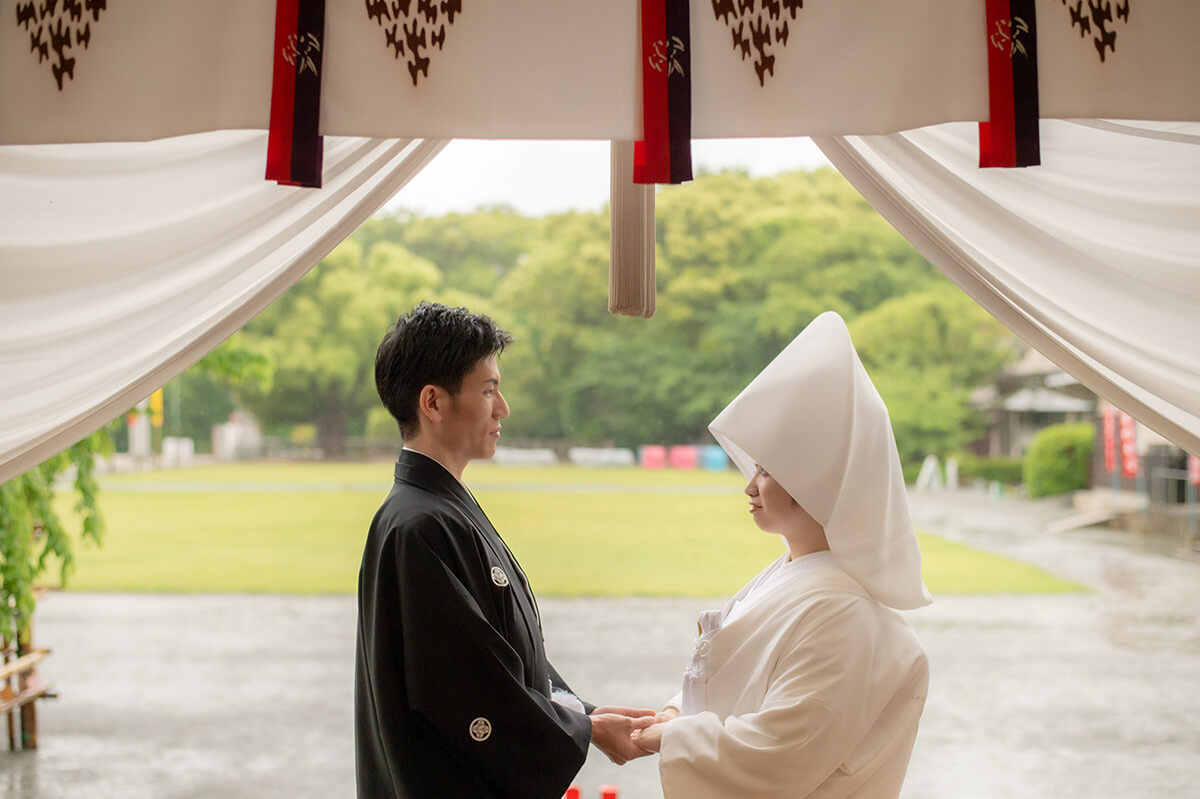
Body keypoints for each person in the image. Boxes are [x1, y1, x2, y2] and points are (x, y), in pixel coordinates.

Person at [355, 302, 654, 798]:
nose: (503, 408)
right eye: (489, 389)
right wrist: (586, 730)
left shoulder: (439, 508)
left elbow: (502, 650)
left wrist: (585, 712)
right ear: (433, 402)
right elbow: (469, 685)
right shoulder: (418, 524)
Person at [631, 311, 931, 799]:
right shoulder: (793, 576)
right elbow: (745, 684)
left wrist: (674, 735)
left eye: (767, 470)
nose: (749, 485)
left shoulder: (845, 612)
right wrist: (674, 712)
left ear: (817, 481)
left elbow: (782, 752)